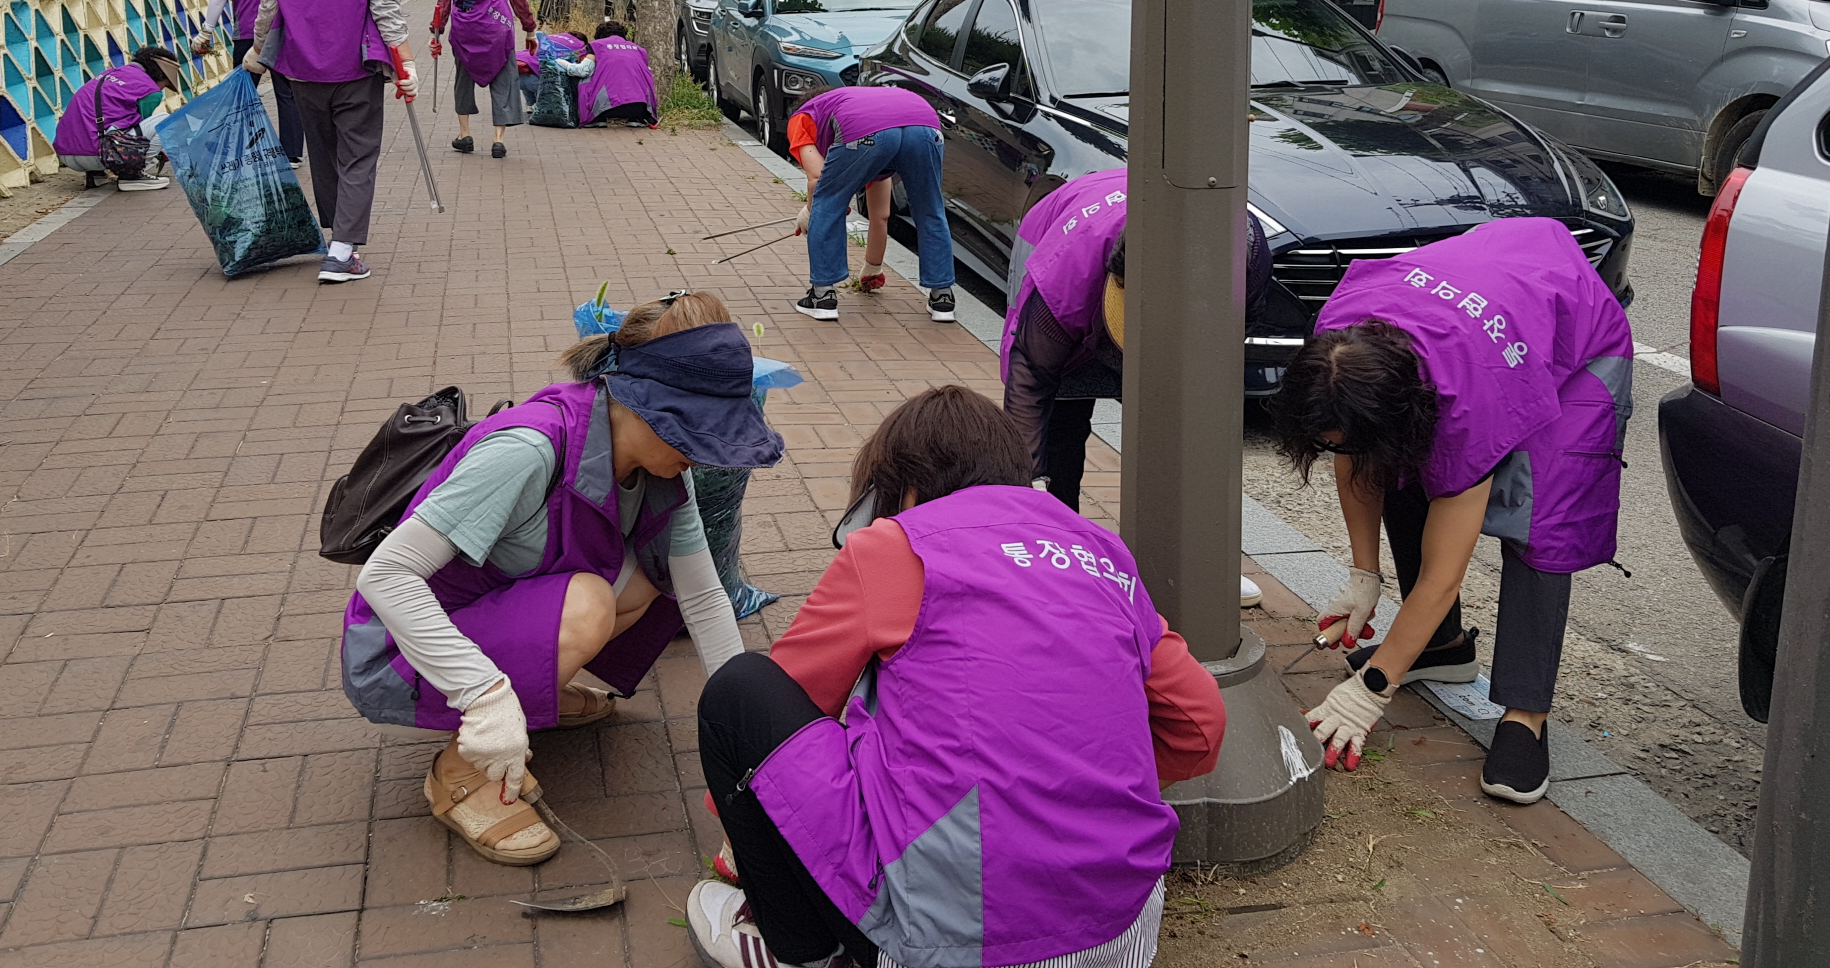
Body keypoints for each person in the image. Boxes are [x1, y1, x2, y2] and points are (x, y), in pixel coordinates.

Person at [688, 386, 1225, 968]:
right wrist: (1073, 776)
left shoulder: (893, 546)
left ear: (907, 489)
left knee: (740, 691)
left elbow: (787, 699)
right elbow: (1200, 723)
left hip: (949, 939)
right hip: (1121, 932)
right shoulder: (1104, 553)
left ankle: (799, 948)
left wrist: (739, 828)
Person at [342, 292, 783, 865]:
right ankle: (460, 772)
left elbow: (703, 598)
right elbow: (387, 575)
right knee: (591, 603)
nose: (704, 454)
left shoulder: (664, 470)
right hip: (401, 650)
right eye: (693, 431)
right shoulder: (528, 448)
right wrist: (484, 694)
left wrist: (745, 732)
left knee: (654, 581)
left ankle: (535, 686)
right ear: (636, 399)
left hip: (493, 607)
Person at [1270, 216, 1632, 804]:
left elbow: (1445, 573)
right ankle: (1440, 648)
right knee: (1401, 465)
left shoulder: (1470, 406)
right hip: (1486, 299)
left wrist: (1372, 690)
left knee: (1543, 521)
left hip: (1574, 342)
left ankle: (1525, 716)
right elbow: (1357, 456)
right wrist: (1365, 575)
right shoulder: (1338, 346)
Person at [1000, 166, 1268, 607]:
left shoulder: (1248, 254)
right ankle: (1054, 546)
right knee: (1060, 424)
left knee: (1182, 429)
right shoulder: (1069, 272)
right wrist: (1023, 481)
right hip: (1068, 250)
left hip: (1177, 286)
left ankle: (1196, 558)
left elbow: (1219, 370)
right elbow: (1030, 380)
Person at [246, 0, 417, 284]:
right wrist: (406, 65)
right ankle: (342, 252)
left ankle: (336, 236)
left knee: (322, 153)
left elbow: (268, 11)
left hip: (301, 72)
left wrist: (255, 55)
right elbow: (386, 11)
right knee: (357, 156)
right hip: (355, 71)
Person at [787, 85, 957, 324]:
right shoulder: (859, 105)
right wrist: (872, 269)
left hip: (864, 133)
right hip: (925, 125)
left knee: (828, 202)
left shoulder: (804, 116)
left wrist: (809, 212)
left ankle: (822, 297)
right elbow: (881, 216)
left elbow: (818, 180)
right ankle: (943, 298)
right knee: (930, 210)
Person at [189, 0, 303, 166]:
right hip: (282, 31)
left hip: (247, 35)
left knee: (243, 91)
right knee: (286, 92)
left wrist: (206, 32)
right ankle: (292, 152)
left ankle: (245, 148)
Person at [431, 0, 537, 159]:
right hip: (498, 34)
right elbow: (520, 2)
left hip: (465, 36)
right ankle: (498, 139)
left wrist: (436, 34)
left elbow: (443, 4)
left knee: (463, 80)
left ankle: (464, 134)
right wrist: (530, 31)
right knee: (504, 80)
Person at [52, 45, 181, 192]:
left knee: (99, 121)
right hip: (98, 155)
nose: (162, 89)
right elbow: (140, 138)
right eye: (165, 84)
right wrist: (161, 149)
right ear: (160, 74)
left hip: (66, 154)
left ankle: (96, 176)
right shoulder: (150, 89)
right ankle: (132, 176)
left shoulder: (109, 74)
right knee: (164, 120)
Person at [577, 20, 658, 126]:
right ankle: (636, 119)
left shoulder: (596, 46)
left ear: (600, 36)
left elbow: (583, 70)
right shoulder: (639, 50)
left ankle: (595, 119)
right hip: (639, 107)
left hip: (605, 109)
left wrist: (562, 64)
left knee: (585, 75)